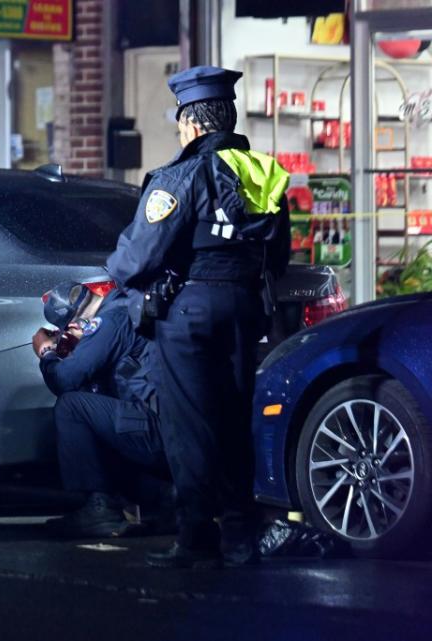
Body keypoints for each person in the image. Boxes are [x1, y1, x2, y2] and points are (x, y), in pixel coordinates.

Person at [104, 66, 291, 568]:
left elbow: (137, 257)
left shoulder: (181, 176)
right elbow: (281, 254)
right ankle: (239, 535)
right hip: (247, 307)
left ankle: (194, 537)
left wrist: (115, 273)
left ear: (190, 123)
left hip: (189, 310)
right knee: (235, 419)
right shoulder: (264, 173)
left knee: (189, 426)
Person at [31, 282, 172, 539]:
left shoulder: (108, 322)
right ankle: (166, 497)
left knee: (72, 406)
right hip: (178, 426)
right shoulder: (126, 307)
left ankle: (99, 510)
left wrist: (47, 351)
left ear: (72, 325)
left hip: (159, 431)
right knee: (98, 409)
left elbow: (65, 380)